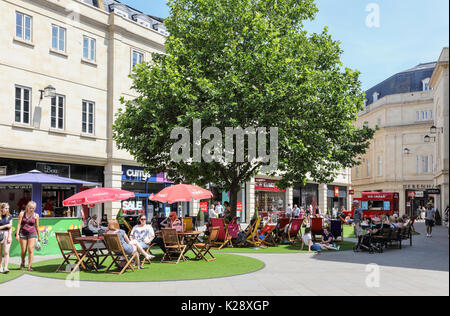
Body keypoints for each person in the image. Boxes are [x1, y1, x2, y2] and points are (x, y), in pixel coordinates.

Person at [15, 201, 41, 271]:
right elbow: (18, 224)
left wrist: (39, 236)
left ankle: (29, 266)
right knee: (23, 250)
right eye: (30, 208)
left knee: (30, 249)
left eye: (33, 208)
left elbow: (37, 226)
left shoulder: (36, 215)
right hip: (22, 233)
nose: (31, 209)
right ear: (27, 207)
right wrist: (17, 234)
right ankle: (23, 262)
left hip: (32, 234)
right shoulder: (22, 214)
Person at [0, 203, 13, 274]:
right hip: (0, 234)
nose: (7, 210)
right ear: (1, 209)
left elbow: (10, 227)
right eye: (6, 208)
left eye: (8, 208)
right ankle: (0, 267)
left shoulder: (10, 216)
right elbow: (8, 225)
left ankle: (6, 267)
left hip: (7, 234)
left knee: (6, 252)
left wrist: (9, 236)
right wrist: (6, 225)